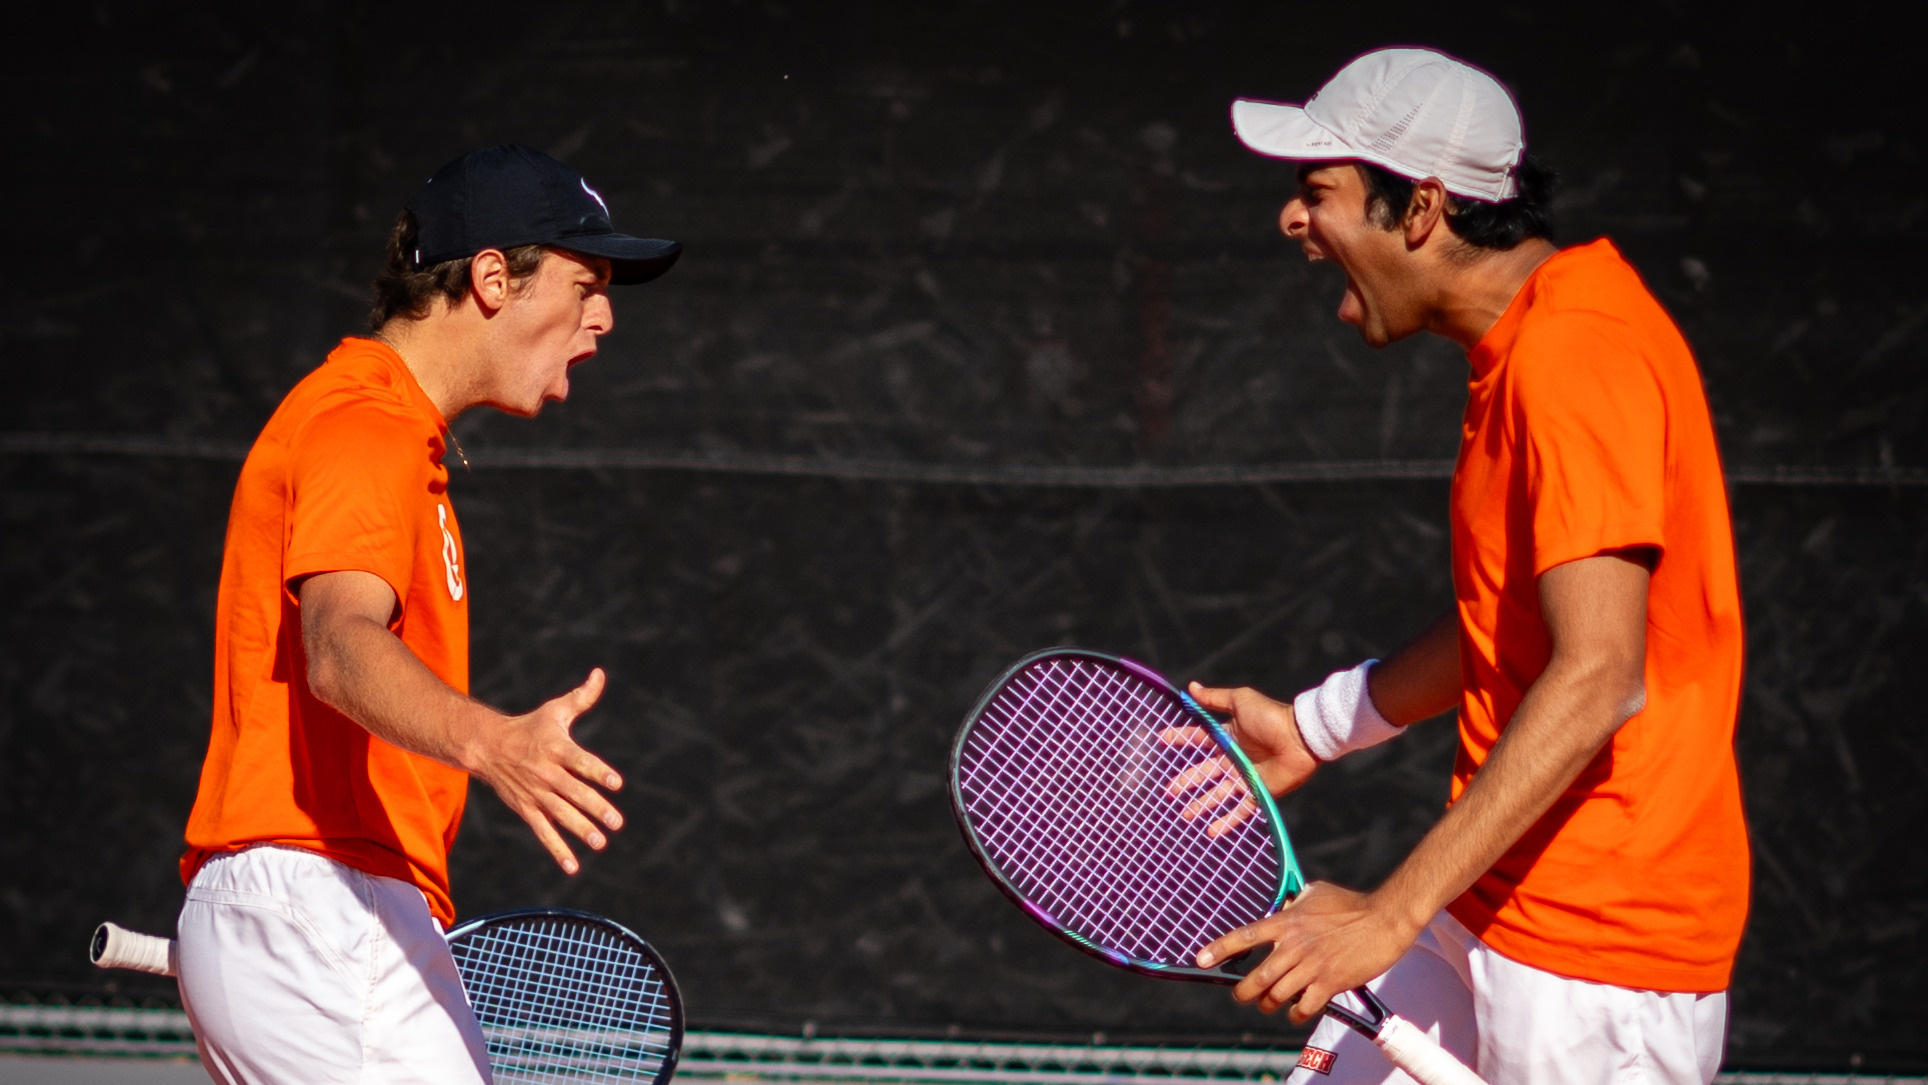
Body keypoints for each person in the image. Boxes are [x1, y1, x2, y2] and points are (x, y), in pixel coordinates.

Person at [1169, 48, 1747, 1085]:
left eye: (1317, 193)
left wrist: (1385, 914)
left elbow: (1599, 673)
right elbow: (1509, 620)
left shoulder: (1576, 352)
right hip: (1487, 905)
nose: (1292, 222)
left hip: (1595, 963)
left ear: (1420, 210)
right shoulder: (1526, 349)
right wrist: (1316, 725)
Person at [175, 145, 681, 1084]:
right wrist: (492, 741)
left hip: (332, 913)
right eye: (586, 279)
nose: (604, 314)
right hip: (323, 900)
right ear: (494, 277)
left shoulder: (391, 432)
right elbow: (338, 645)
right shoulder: (365, 423)